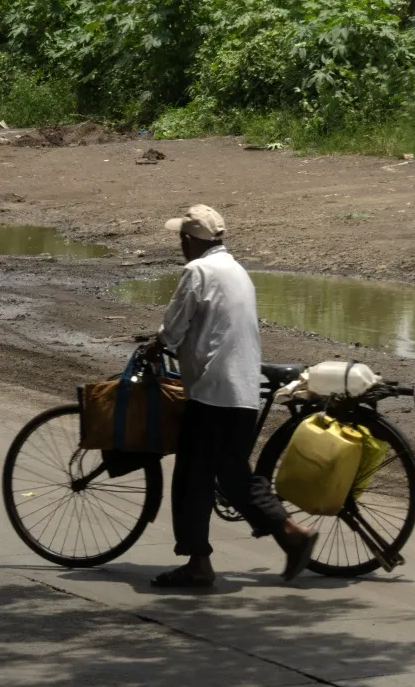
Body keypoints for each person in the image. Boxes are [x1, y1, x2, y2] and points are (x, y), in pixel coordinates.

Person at [146, 203, 315, 591]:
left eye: (181, 238)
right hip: (241, 391)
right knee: (233, 474)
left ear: (190, 240)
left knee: (192, 476)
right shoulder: (237, 271)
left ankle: (200, 564)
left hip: (213, 393)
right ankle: (289, 533)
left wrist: (155, 347)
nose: (180, 245)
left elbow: (173, 330)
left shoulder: (198, 271)